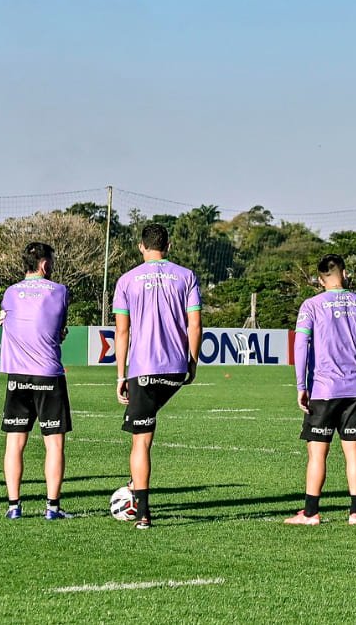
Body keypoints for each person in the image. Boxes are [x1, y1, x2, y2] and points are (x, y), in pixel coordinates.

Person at [286, 254, 356, 526]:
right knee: (354, 450)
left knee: (317, 453)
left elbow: (300, 346)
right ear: (345, 272)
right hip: (355, 389)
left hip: (323, 389)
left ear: (320, 280)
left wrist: (300, 386)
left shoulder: (311, 305)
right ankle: (355, 513)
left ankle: (311, 513)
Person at [113, 223, 202, 530]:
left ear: (141, 246)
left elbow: (122, 331)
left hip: (143, 369)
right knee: (146, 425)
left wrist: (120, 375)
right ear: (170, 245)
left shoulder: (127, 280)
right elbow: (195, 325)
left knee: (141, 441)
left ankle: (143, 513)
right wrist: (192, 362)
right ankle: (134, 483)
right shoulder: (186, 276)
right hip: (175, 368)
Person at [0, 242, 72, 520]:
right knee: (53, 444)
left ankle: (14, 506)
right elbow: (58, 328)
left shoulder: (10, 293)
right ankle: (52, 508)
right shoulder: (60, 291)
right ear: (44, 264)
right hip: (48, 375)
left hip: (17, 375)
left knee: (14, 443)